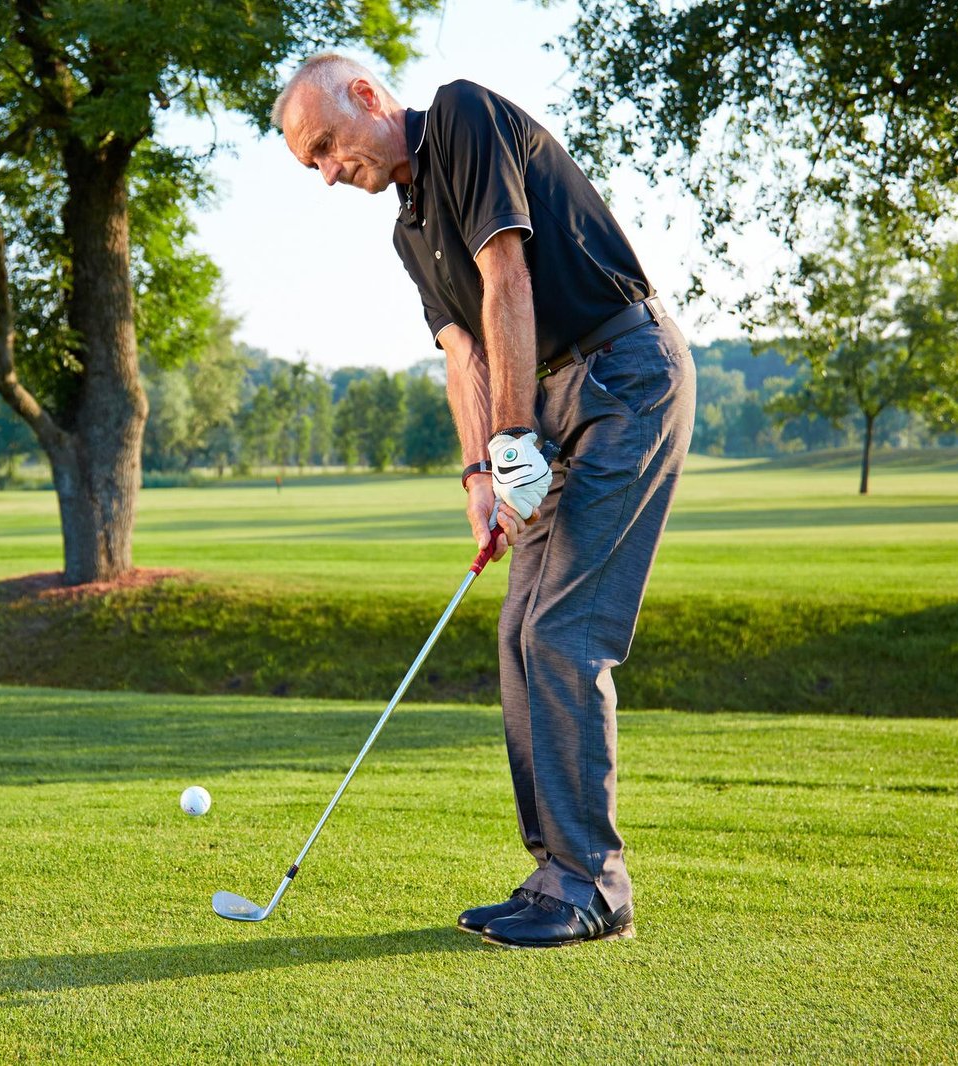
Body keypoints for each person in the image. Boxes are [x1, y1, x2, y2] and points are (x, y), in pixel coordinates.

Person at [273, 54, 695, 948]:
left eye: (325, 148)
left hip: (627, 373)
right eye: (309, 165)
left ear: (365, 97)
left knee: (562, 630)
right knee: (516, 634)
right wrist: (479, 477)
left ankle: (593, 889)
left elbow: (508, 276)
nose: (326, 173)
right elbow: (461, 353)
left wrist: (511, 445)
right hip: (544, 400)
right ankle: (556, 876)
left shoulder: (463, 117)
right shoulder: (407, 231)